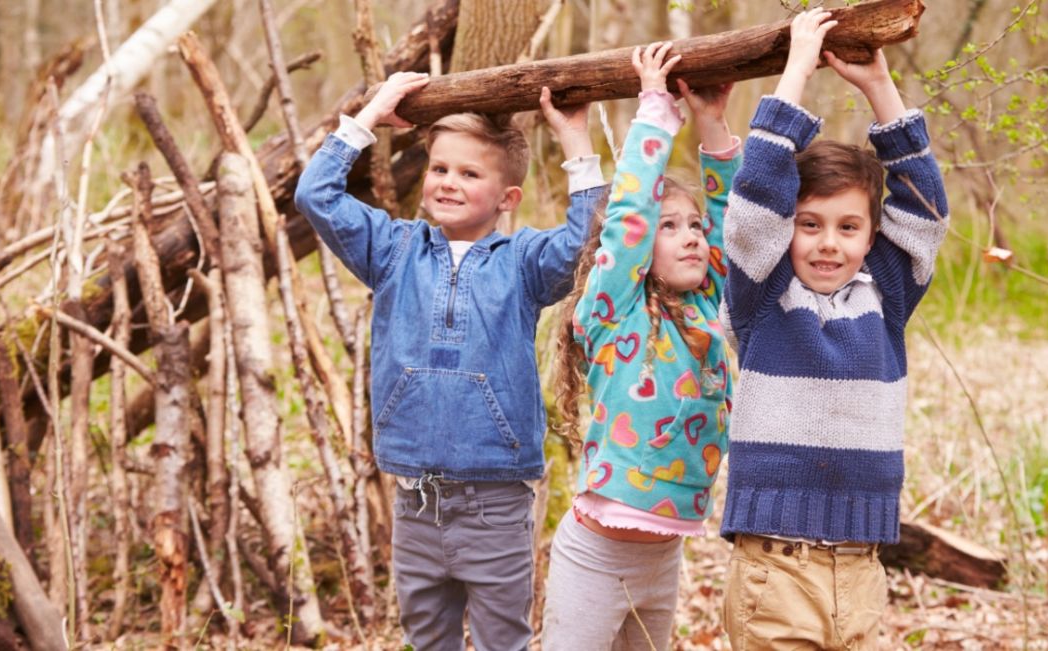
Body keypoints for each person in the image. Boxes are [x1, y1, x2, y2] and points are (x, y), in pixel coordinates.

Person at [294, 72, 606, 651]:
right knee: (426, 638)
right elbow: (317, 196)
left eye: (469, 173)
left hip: (495, 500)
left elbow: (589, 240)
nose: (448, 183)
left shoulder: (523, 262)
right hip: (414, 502)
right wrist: (370, 116)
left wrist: (575, 140)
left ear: (507, 198)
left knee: (501, 641)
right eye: (439, 169)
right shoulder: (393, 249)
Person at [720, 8, 950, 650]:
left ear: (871, 235)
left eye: (848, 227)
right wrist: (797, 67)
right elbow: (753, 206)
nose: (827, 244)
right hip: (775, 569)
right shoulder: (762, 295)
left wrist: (881, 89)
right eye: (809, 224)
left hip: (863, 567)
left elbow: (926, 210)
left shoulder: (888, 294)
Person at [543, 41, 740, 650]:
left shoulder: (711, 311)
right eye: (669, 227)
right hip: (595, 558)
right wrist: (654, 109)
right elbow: (628, 213)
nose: (688, 238)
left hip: (666, 558)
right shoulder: (614, 313)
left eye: (693, 226)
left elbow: (739, 224)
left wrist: (712, 123)